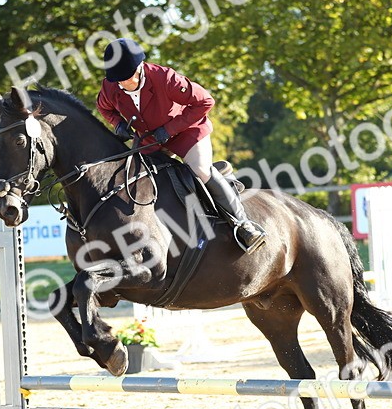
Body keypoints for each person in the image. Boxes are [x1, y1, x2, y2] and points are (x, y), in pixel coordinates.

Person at [96, 38, 267, 253]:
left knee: (200, 171)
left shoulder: (165, 79)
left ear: (140, 68)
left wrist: (169, 130)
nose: (121, 84)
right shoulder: (111, 86)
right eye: (118, 80)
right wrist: (118, 124)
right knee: (135, 181)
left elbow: (205, 101)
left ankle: (243, 224)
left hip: (187, 131)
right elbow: (104, 108)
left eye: (126, 79)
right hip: (150, 139)